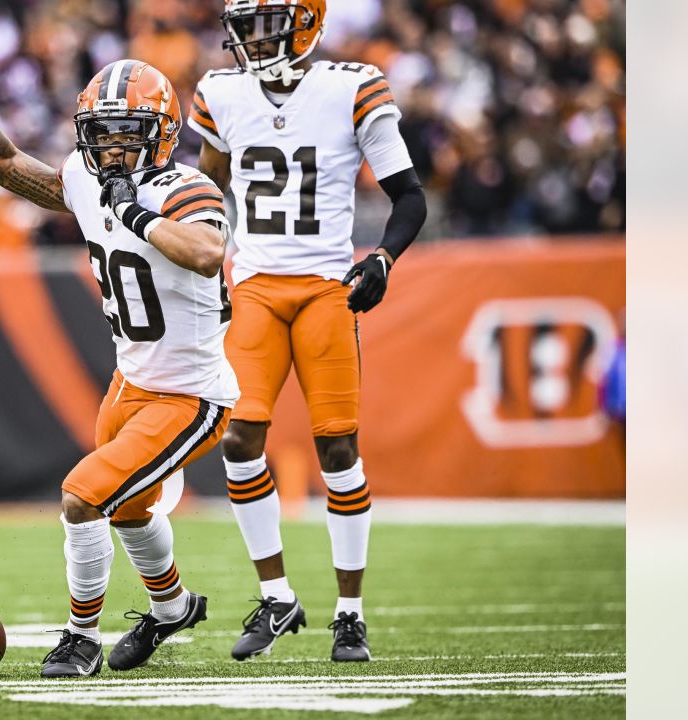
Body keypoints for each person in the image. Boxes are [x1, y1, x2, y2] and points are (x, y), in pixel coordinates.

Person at [0, 41, 238, 677]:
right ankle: (174, 607)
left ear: (162, 136)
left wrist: (133, 211)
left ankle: (80, 637)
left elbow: (207, 253)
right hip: (130, 381)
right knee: (129, 508)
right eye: (102, 135)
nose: (113, 150)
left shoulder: (186, 187)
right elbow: (6, 165)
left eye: (129, 136)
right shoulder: (86, 176)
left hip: (192, 393)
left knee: (82, 496)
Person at [190, 0, 427, 662]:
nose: (253, 40)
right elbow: (204, 196)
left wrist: (382, 256)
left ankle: (349, 613)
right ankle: (276, 599)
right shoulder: (220, 92)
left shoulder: (352, 86)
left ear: (307, 23)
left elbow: (410, 196)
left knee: (337, 452)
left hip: (326, 287)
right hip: (257, 287)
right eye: (246, 26)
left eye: (267, 24)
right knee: (239, 439)